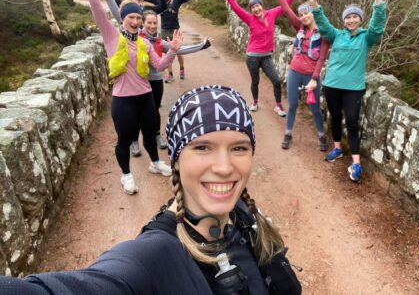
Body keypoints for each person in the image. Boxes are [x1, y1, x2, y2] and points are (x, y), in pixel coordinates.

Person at [0, 85, 302, 295]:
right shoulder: (153, 256)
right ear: (176, 158)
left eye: (239, 147)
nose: (224, 167)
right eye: (202, 147)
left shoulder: (243, 214)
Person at [78, 0, 180, 194]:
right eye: (130, 17)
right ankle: (126, 176)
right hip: (123, 100)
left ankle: (155, 163)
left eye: (137, 18)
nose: (134, 21)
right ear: (123, 18)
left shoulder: (144, 41)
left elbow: (159, 65)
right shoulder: (111, 36)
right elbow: (95, 5)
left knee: (150, 131)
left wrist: (173, 50)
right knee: (124, 140)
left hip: (145, 95)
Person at [307, 0, 389, 182]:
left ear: (360, 19)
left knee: (352, 122)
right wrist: (315, 4)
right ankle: (337, 148)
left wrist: (378, 0)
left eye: (355, 17)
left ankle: (356, 163)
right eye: (348, 17)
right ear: (344, 20)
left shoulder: (366, 38)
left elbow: (378, 26)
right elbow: (324, 26)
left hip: (353, 88)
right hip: (332, 85)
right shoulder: (337, 35)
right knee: (334, 117)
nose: (351, 20)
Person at [129, 10, 212, 156]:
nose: (152, 26)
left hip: (155, 80)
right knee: (136, 112)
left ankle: (156, 135)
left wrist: (202, 46)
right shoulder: (135, 38)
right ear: (143, 23)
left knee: (154, 111)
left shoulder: (161, 42)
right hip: (138, 81)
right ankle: (134, 141)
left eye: (155, 23)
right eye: (149, 22)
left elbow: (179, 50)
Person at [266, 0, 330, 151]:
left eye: (306, 13)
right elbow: (286, 10)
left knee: (315, 107)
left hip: (311, 76)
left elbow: (322, 58)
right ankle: (287, 132)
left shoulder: (323, 33)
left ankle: (321, 135)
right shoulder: (299, 27)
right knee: (292, 104)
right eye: (301, 14)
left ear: (313, 13)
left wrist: (315, 79)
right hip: (294, 72)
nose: (303, 17)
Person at [219, 0, 297, 117]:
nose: (256, 9)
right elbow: (236, 7)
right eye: (253, 7)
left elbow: (286, 5)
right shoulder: (249, 18)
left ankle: (278, 106)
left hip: (266, 56)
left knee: (276, 81)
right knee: (255, 81)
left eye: (257, 6)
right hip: (252, 57)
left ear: (262, 6)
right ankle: (255, 103)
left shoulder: (271, 14)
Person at [135, 0, 210, 82]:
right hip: (164, 30)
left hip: (175, 30)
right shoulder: (158, 1)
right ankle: (170, 74)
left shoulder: (177, 0)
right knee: (168, 53)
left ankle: (182, 68)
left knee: (179, 52)